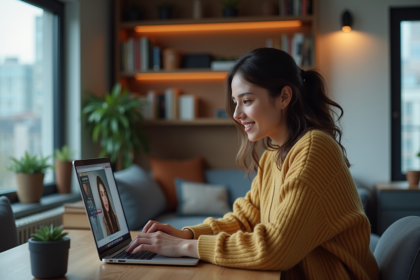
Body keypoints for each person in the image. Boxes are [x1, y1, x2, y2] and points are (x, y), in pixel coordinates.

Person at [126, 48, 380, 279]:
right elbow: (246, 219)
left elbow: (275, 248)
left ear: (283, 97)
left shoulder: (314, 149)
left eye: (246, 101)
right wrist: (187, 234)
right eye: (236, 103)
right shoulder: (273, 154)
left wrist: (184, 248)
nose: (237, 115)